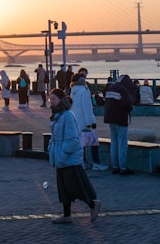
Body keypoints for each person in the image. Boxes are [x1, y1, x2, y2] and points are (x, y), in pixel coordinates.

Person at [48, 88, 101, 224]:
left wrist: (63, 154)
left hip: (69, 158)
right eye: (50, 99)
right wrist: (52, 150)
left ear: (60, 100)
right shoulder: (57, 116)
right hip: (60, 157)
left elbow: (72, 140)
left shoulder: (67, 115)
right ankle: (67, 215)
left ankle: (93, 204)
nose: (51, 102)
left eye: (53, 99)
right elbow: (54, 136)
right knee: (63, 188)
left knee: (75, 187)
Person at [70, 71, 105, 170]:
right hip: (86, 122)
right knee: (94, 143)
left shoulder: (72, 91)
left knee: (81, 143)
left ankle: (83, 163)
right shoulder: (84, 91)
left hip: (76, 121)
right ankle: (96, 163)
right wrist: (90, 123)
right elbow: (87, 108)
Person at [103, 74, 134, 175]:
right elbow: (127, 104)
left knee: (114, 142)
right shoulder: (122, 89)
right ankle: (123, 168)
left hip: (109, 118)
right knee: (122, 144)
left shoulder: (110, 88)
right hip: (120, 119)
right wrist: (130, 108)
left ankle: (115, 166)